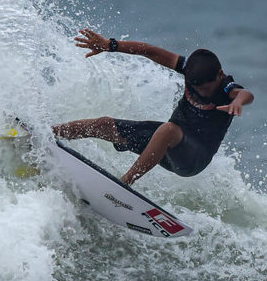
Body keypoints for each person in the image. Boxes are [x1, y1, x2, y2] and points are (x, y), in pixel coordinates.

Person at [53, 29, 254, 185]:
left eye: (206, 89)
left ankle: (123, 185)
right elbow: (149, 51)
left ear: (219, 74)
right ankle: (46, 134)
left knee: (167, 129)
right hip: (162, 147)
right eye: (196, 88)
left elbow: (246, 94)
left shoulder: (227, 87)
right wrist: (110, 45)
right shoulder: (188, 68)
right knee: (104, 124)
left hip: (193, 158)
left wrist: (236, 102)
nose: (202, 93)